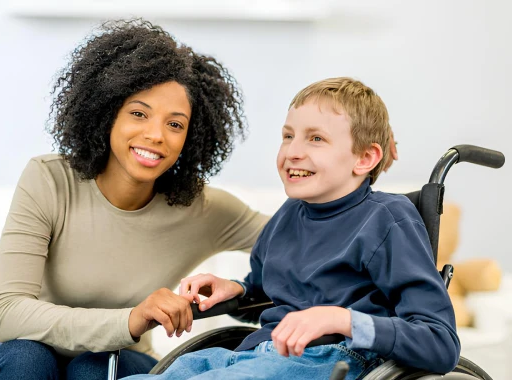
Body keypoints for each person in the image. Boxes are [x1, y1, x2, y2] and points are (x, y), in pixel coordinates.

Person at [0, 19, 271, 380]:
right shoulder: (49, 179)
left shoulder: (207, 210)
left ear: (191, 138)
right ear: (107, 113)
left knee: (96, 366)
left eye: (175, 124)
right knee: (25, 357)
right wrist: (129, 319)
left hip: (121, 361)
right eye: (139, 114)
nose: (156, 135)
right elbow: (8, 313)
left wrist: (240, 288)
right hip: (24, 352)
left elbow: (310, 245)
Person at [124, 77, 458, 380]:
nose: (293, 152)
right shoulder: (288, 215)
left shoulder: (387, 219)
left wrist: (340, 319)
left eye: (316, 138)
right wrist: (237, 290)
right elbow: (270, 297)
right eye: (288, 136)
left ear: (365, 158)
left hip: (332, 358)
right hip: (256, 355)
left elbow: (439, 342)